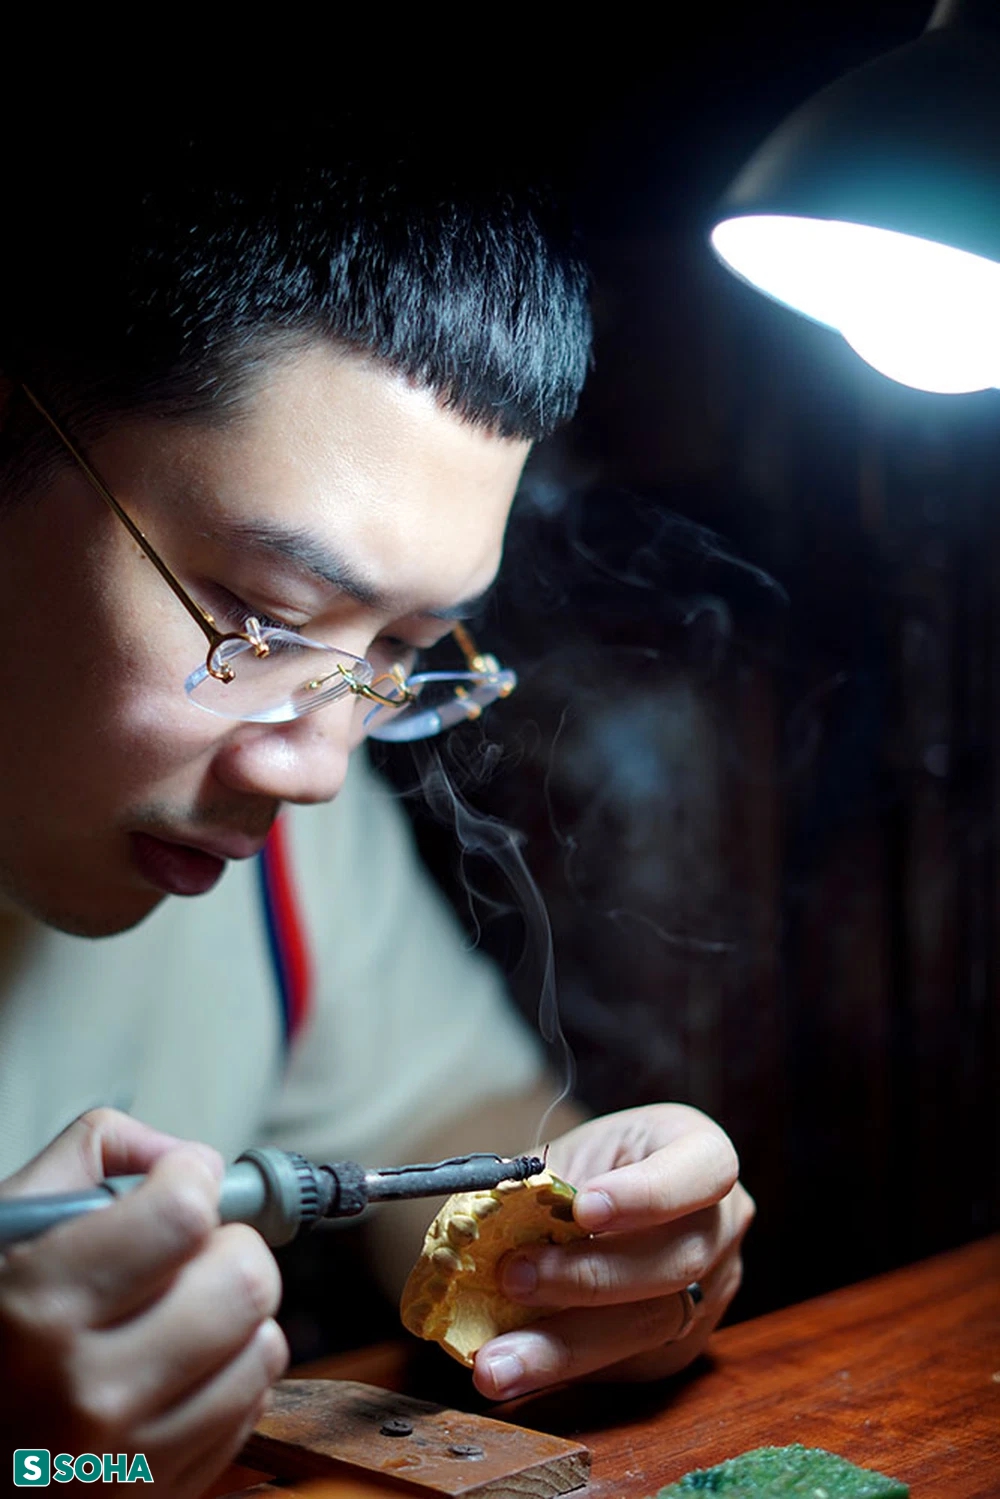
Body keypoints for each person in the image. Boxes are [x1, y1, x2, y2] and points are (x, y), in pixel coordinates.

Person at [0, 118, 754, 1497]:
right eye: (270, 620)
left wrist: (592, 1246)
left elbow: (448, 1133)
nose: (316, 765)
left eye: (401, 653)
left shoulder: (275, 848)